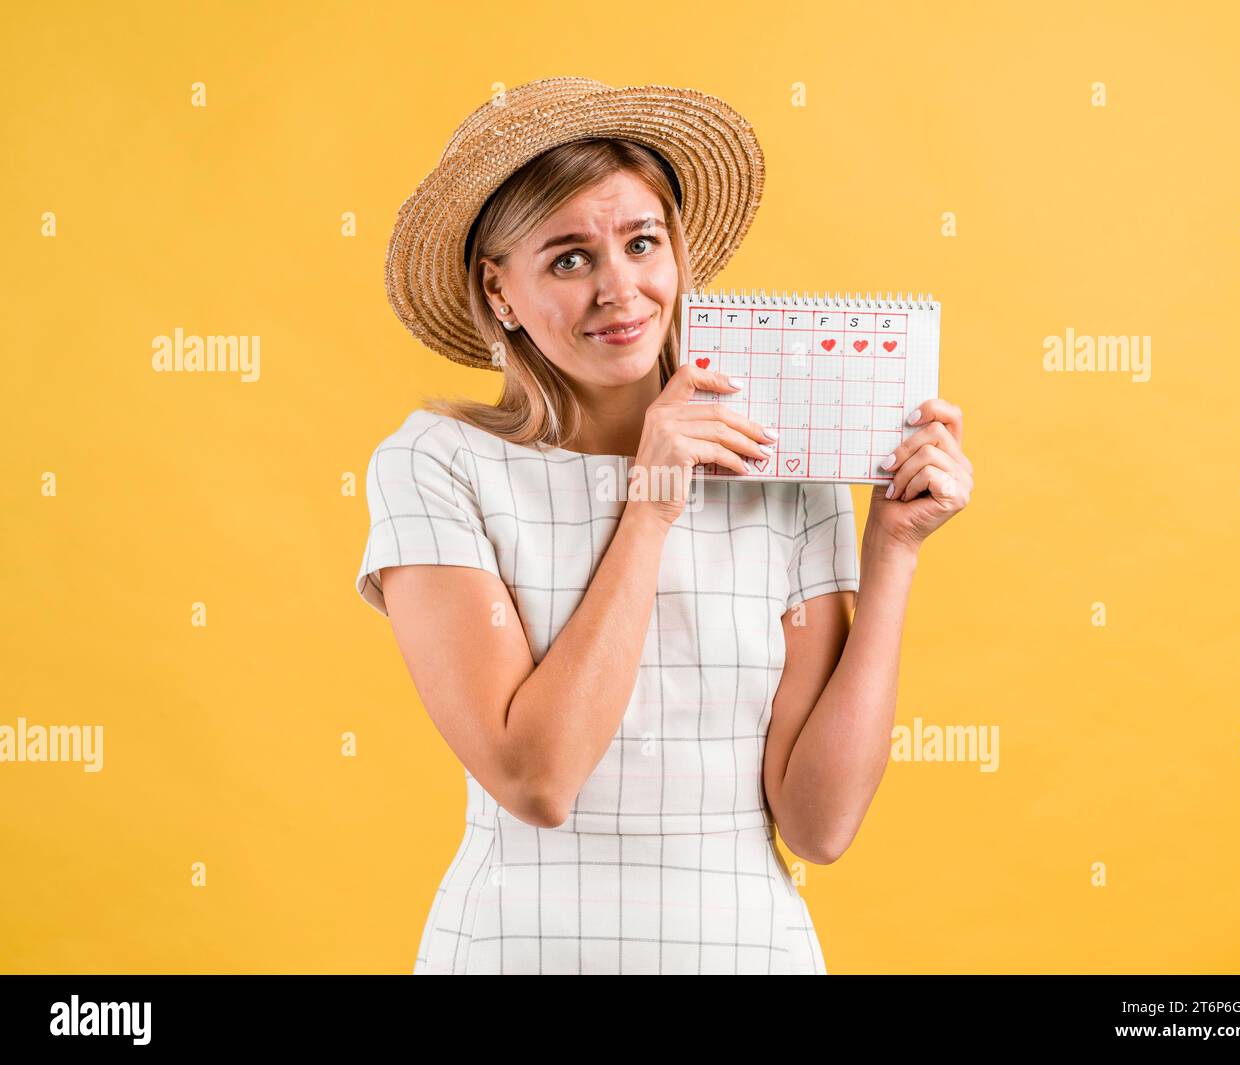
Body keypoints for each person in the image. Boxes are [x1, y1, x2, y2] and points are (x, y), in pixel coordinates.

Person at [355, 77, 974, 974]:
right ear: (500, 291)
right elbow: (538, 778)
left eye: (642, 242)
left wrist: (894, 550)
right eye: (568, 259)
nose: (620, 289)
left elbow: (820, 824)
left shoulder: (776, 459)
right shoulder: (437, 464)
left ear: (676, 255)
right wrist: (649, 503)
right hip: (516, 951)